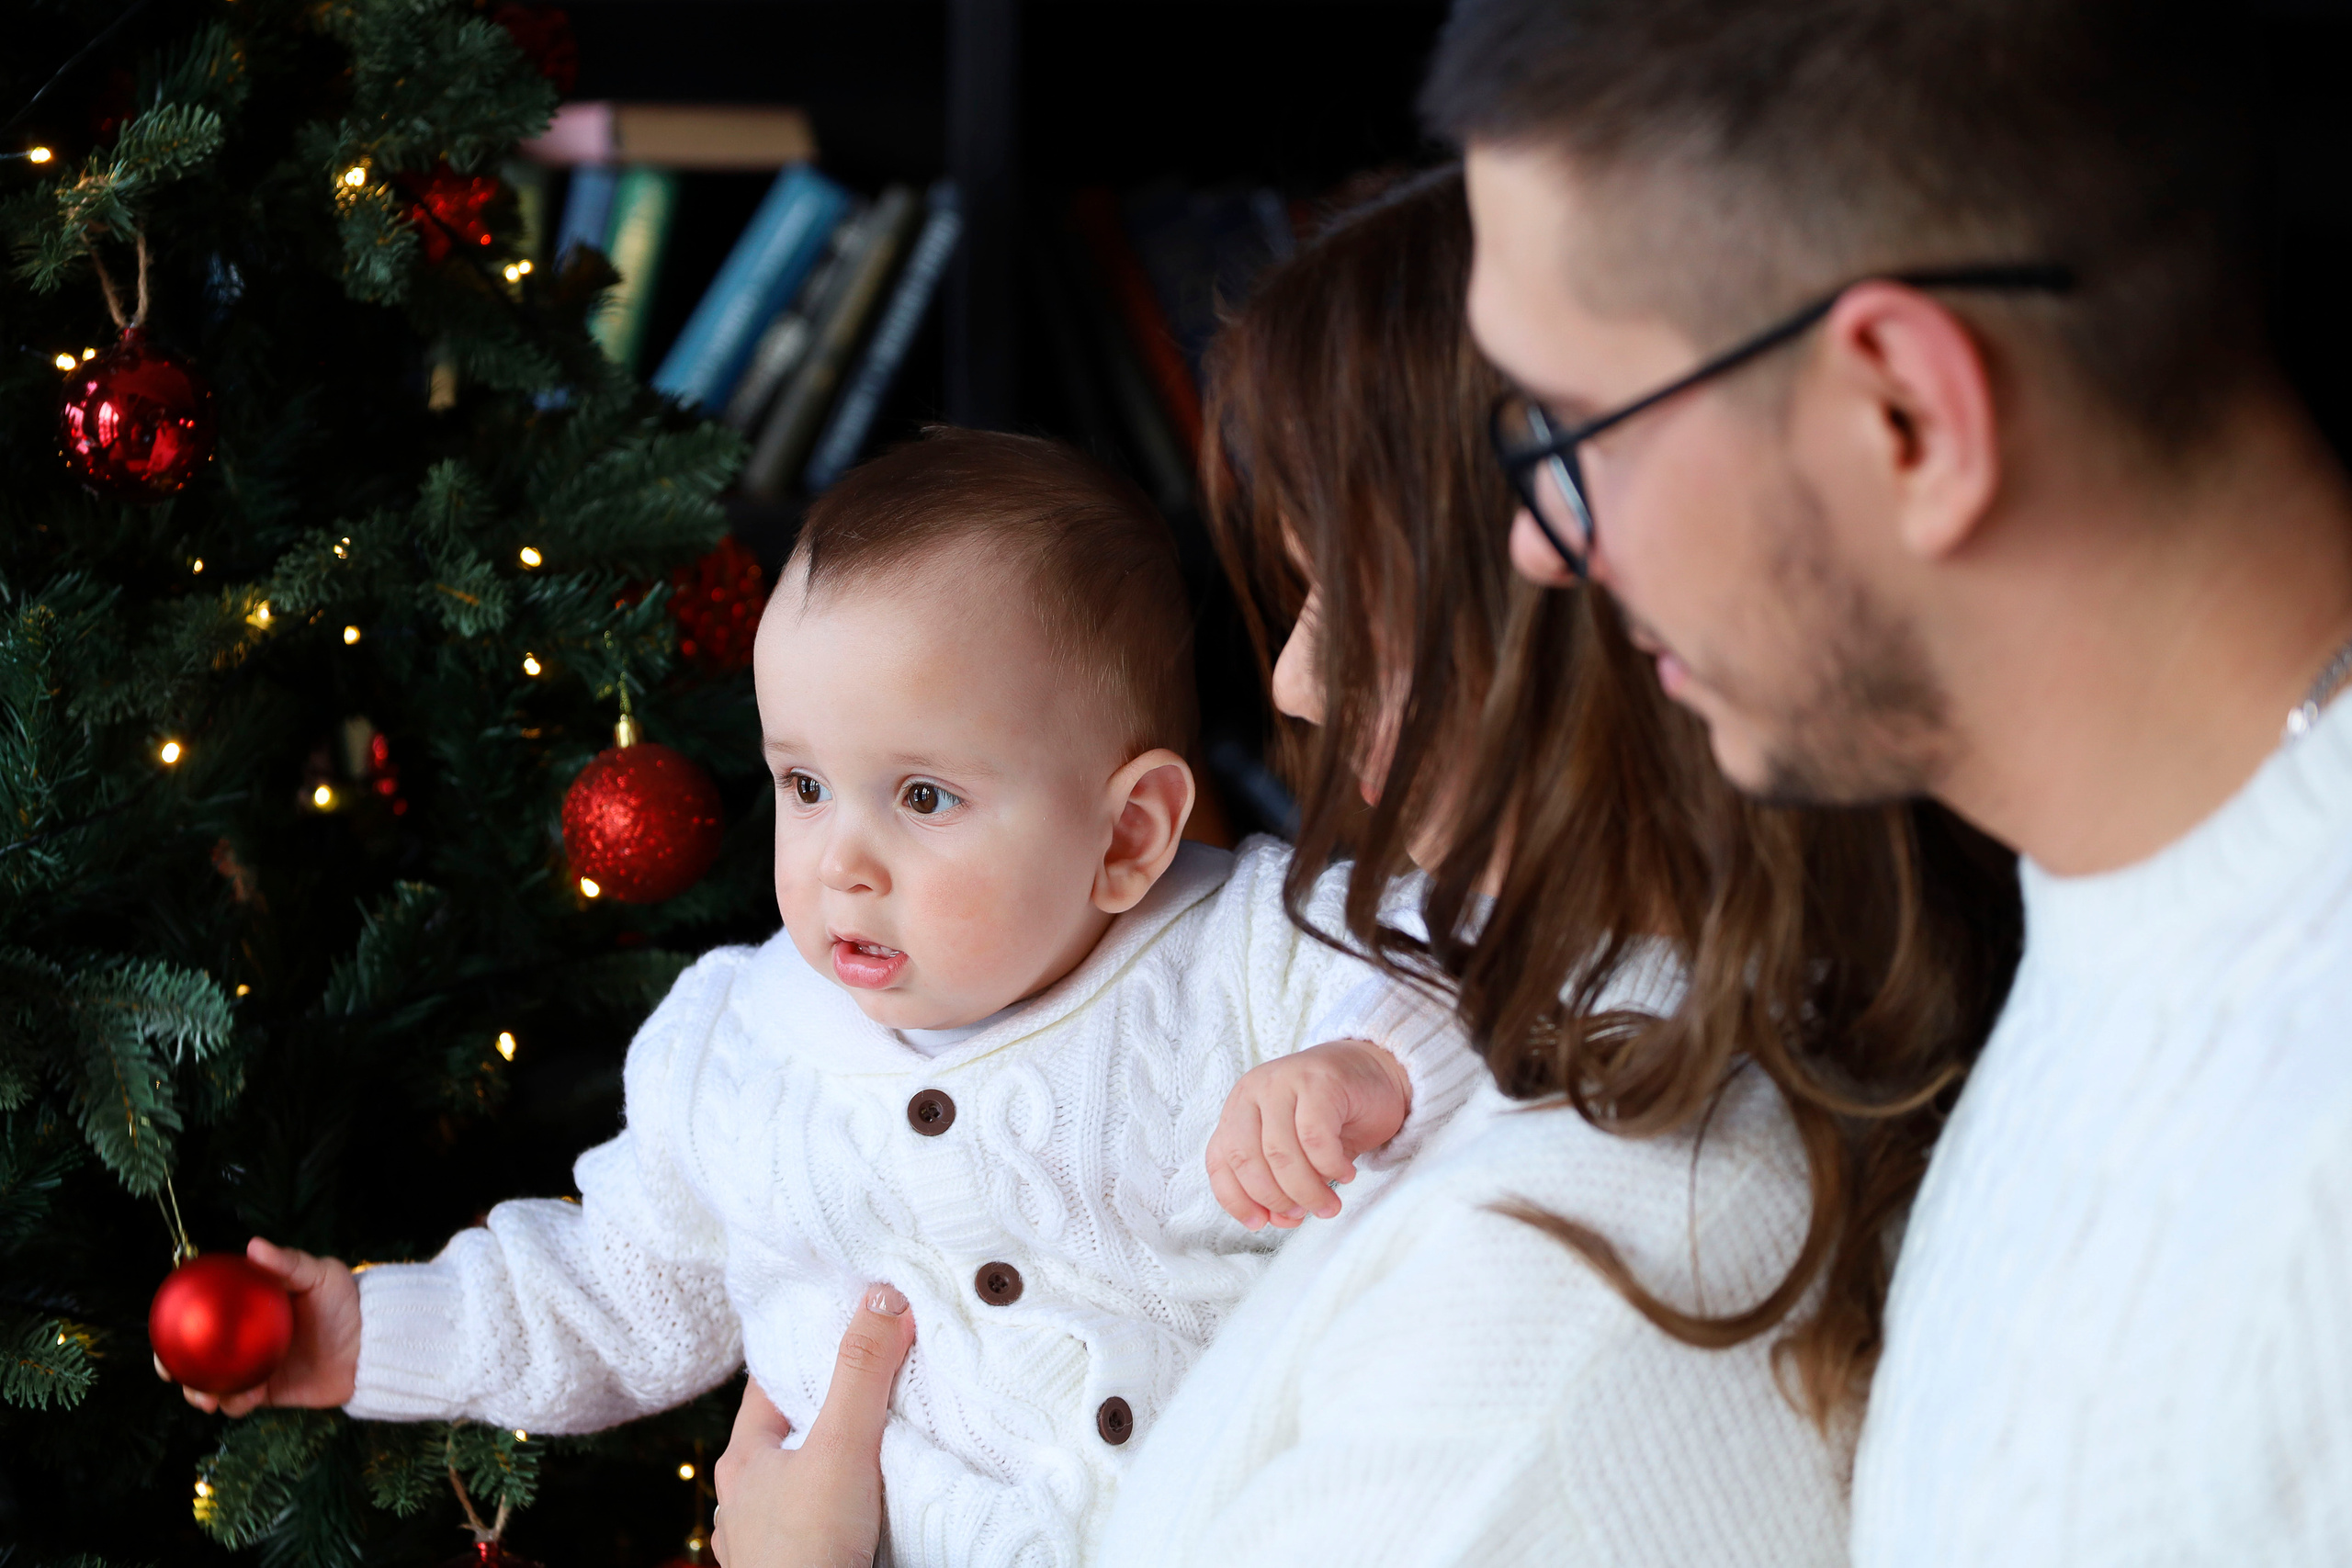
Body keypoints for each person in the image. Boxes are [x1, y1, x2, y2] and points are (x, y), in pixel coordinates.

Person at [715, 169, 2020, 1566]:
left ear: (1583, 620)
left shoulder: (1574, 1290)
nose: (1296, 680)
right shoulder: (1569, 1044)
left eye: (1359, 604)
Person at [172, 428, 1478, 1568]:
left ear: (1128, 834)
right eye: (803, 784)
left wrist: (1371, 1065)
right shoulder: (737, 1050)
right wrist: (361, 1335)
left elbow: (1487, 967)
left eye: (922, 796)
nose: (839, 861)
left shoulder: (1258, 945)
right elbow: (604, 1292)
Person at [1428, 0, 2352, 1560]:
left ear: (1909, 415)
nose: (1542, 538)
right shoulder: (2147, 905)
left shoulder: (2304, 1230)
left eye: (1583, 426)